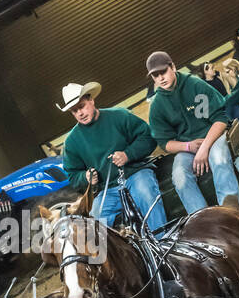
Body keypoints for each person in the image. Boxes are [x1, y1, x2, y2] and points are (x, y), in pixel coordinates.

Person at [60, 80, 167, 232]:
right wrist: (85, 177)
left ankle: (161, 243)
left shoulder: (119, 116)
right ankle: (123, 255)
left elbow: (148, 137)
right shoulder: (72, 142)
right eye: (74, 111)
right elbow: (72, 175)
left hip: (136, 175)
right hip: (107, 189)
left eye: (82, 106)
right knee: (97, 217)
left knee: (145, 193)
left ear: (91, 99)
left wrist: (127, 155)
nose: (80, 113)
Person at [146, 51, 239, 212]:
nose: (161, 78)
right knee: (179, 175)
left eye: (163, 72)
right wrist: (188, 147)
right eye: (155, 76)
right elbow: (165, 143)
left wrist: (205, 147)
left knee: (219, 158)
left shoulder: (195, 85)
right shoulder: (157, 105)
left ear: (173, 67)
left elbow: (220, 118)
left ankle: (232, 212)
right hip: (188, 148)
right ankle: (203, 219)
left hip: (213, 136)